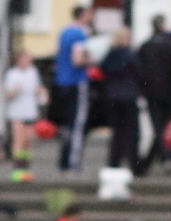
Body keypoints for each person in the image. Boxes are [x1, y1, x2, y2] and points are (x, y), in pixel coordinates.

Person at [136, 14, 171, 175]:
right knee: (159, 128)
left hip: (151, 93)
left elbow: (139, 70)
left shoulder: (145, 46)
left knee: (157, 127)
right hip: (168, 93)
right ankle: (165, 158)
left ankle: (147, 162)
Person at [53, 5, 94, 172]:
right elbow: (77, 60)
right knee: (77, 123)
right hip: (76, 82)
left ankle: (63, 160)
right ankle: (72, 161)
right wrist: (92, 59)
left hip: (62, 82)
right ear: (82, 15)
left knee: (67, 124)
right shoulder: (79, 34)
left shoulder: (63, 32)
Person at [100, 27, 141, 171]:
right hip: (129, 97)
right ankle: (134, 163)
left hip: (113, 96)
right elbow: (139, 73)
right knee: (132, 132)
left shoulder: (110, 55)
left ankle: (114, 162)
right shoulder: (130, 55)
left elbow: (104, 71)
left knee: (117, 132)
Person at [3, 50, 45, 181]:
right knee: (18, 140)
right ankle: (17, 169)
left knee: (27, 141)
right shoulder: (12, 74)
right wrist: (15, 89)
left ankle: (25, 168)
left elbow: (38, 87)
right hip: (16, 111)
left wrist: (43, 94)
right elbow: (8, 94)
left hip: (29, 110)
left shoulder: (33, 72)